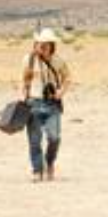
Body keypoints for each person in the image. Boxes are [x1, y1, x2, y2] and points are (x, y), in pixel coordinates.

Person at [21, 27, 72, 182]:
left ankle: (49, 162)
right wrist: (23, 96)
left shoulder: (58, 61)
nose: (42, 46)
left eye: (46, 44)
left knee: (54, 137)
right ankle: (37, 170)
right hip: (33, 103)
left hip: (52, 104)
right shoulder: (28, 60)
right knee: (34, 140)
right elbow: (24, 80)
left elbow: (67, 78)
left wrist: (60, 93)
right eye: (39, 43)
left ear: (51, 44)